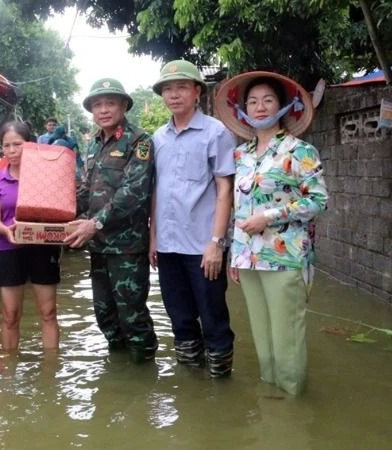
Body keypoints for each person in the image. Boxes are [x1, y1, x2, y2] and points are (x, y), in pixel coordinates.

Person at [215, 71, 328, 395]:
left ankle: (292, 404)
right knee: (263, 338)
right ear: (243, 110)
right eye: (252, 101)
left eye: (268, 100)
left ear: (283, 106)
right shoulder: (241, 155)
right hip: (249, 258)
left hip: (286, 257)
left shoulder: (299, 150)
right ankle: (272, 404)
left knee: (287, 338)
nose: (260, 107)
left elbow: (319, 199)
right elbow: (238, 207)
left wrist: (271, 216)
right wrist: (234, 256)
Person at [150, 60, 237, 377]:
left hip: (203, 246)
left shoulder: (216, 133)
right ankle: (191, 391)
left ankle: (221, 386)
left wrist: (217, 243)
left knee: (213, 317)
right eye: (168, 89)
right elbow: (157, 190)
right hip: (169, 246)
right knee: (180, 318)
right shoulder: (158, 138)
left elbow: (225, 189)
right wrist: (153, 239)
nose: (174, 95)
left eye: (181, 87)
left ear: (197, 92)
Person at [64, 78, 158, 363]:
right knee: (104, 313)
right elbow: (85, 190)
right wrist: (55, 213)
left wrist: (95, 223)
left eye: (110, 103)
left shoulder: (139, 141)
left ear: (123, 106)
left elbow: (134, 191)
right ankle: (117, 374)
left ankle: (144, 377)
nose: (103, 110)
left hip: (127, 247)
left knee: (133, 316)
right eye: (97, 105)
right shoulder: (93, 143)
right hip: (98, 245)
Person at [0, 121, 60, 351]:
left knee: (48, 312)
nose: (11, 150)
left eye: (17, 144)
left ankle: (50, 374)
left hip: (42, 246)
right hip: (8, 247)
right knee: (9, 315)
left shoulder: (45, 176)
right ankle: (9, 376)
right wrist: (6, 230)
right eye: (6, 145)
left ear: (29, 145)